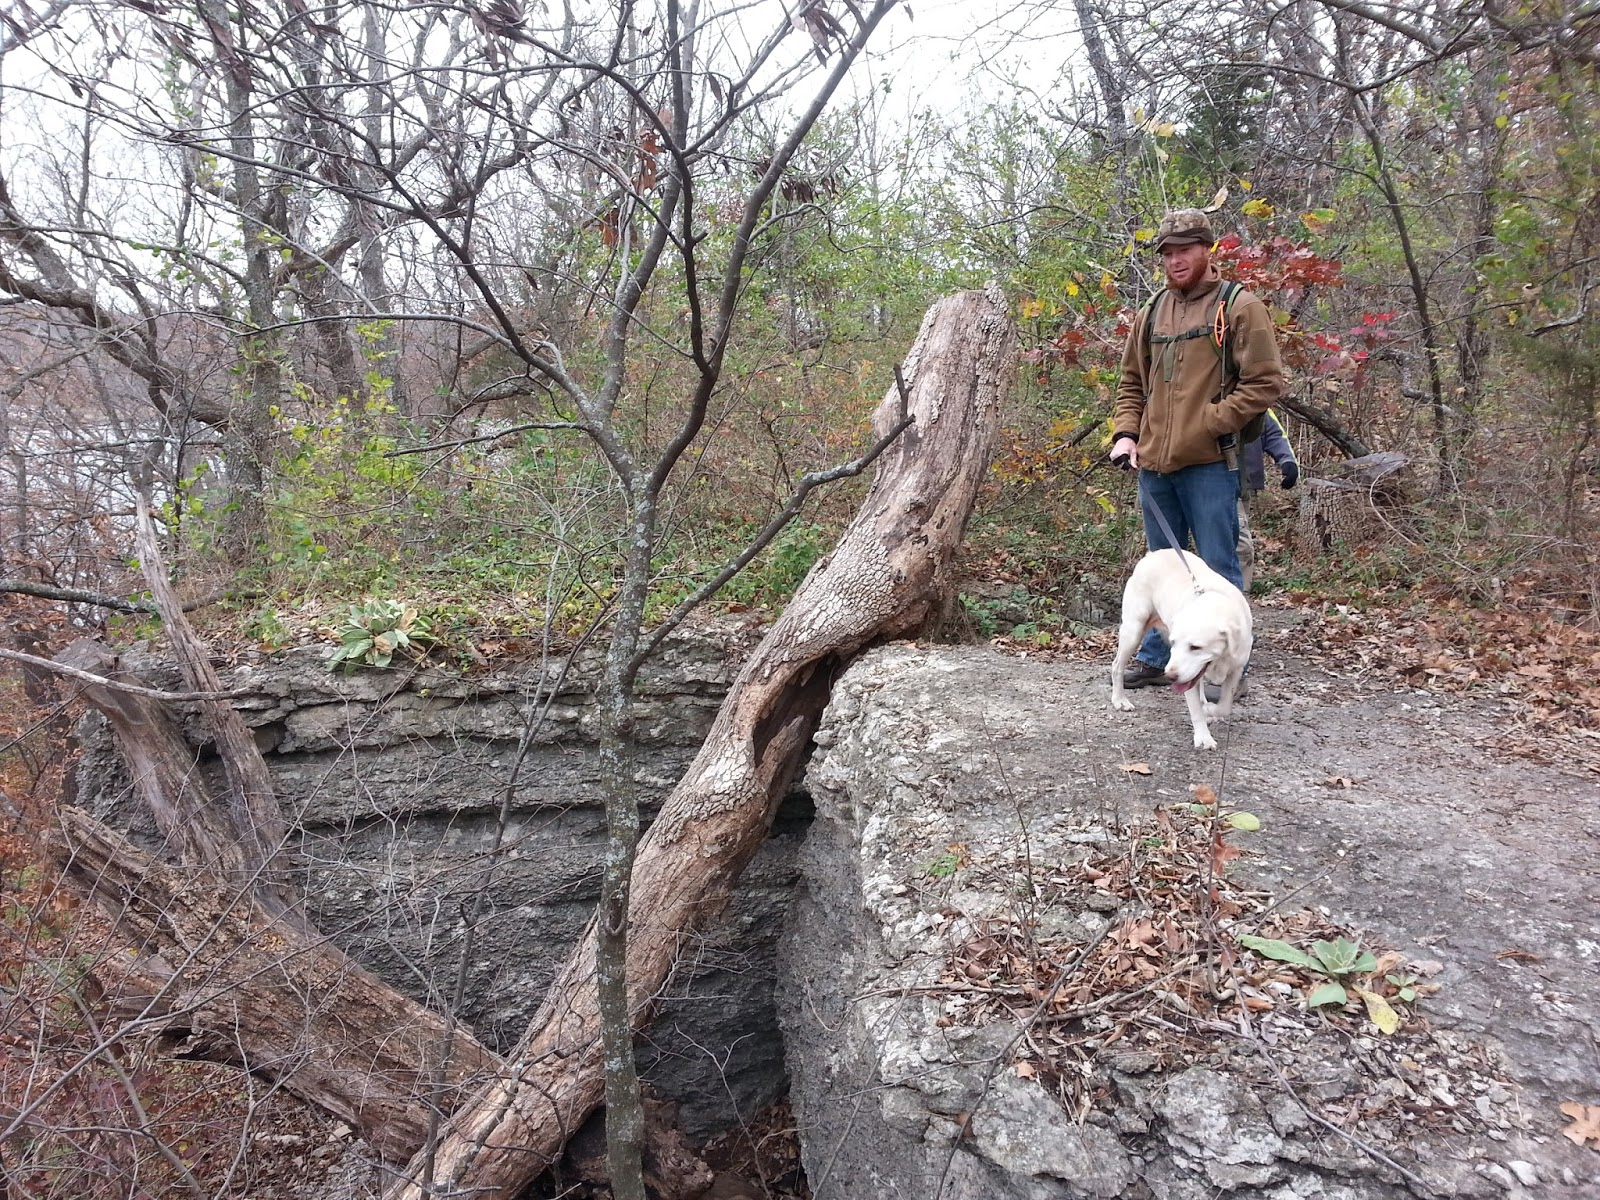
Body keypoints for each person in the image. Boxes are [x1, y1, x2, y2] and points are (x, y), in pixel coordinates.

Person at [1109, 207, 1286, 696]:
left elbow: (1266, 382)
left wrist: (1212, 422)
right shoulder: (1151, 312)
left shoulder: (1239, 306)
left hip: (1211, 463)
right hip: (1154, 464)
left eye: (1185, 249)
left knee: (1218, 569)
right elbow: (1131, 382)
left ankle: (1226, 672)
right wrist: (1126, 434)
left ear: (1207, 250)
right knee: (1163, 569)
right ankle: (1157, 658)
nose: (1175, 260)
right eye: (1167, 253)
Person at [1237, 409, 1299, 592]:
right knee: (1239, 545)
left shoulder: (1255, 401)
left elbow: (1274, 432)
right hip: (1211, 479)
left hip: (1243, 484)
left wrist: (1287, 460)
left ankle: (1238, 597)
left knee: (1236, 542)